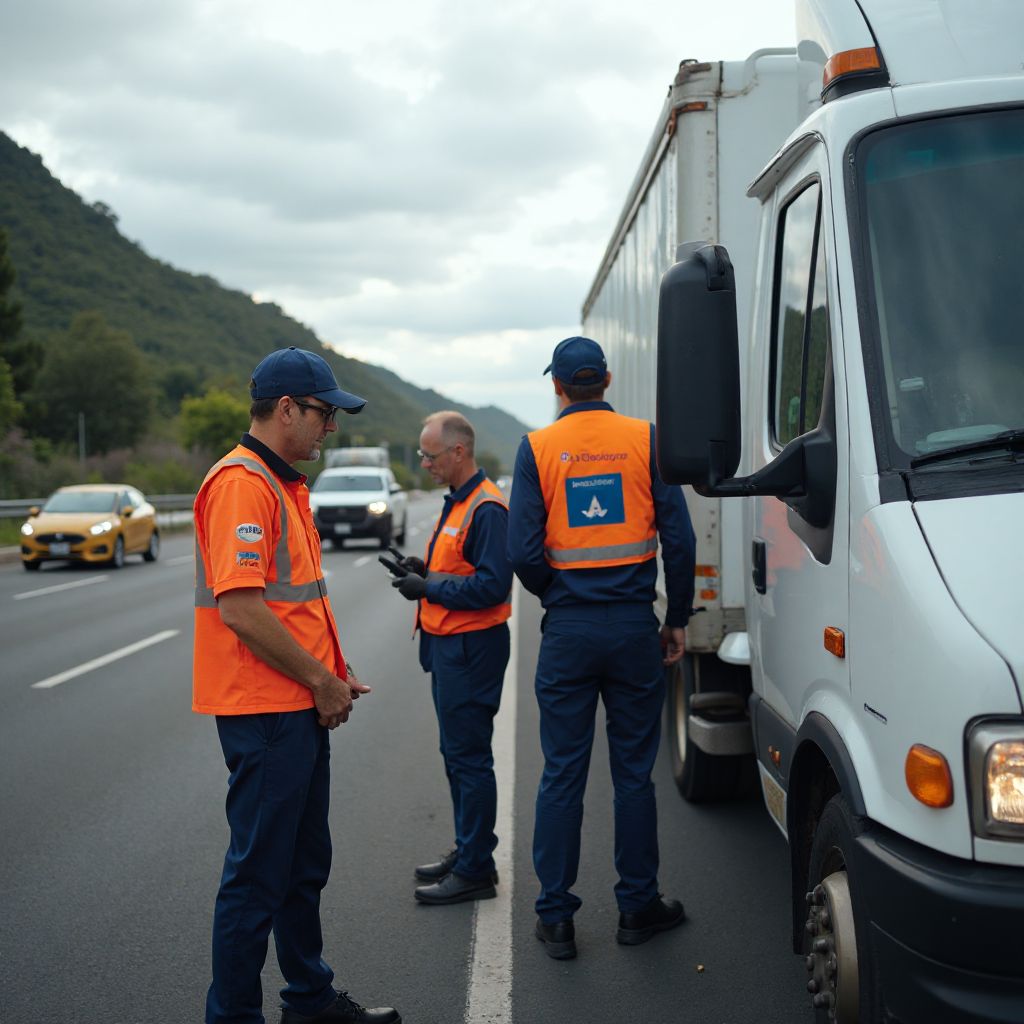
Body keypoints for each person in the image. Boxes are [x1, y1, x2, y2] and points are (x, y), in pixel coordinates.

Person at [193, 346, 400, 1024]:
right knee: (256, 879)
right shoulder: (243, 483)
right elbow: (242, 609)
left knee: (301, 867)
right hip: (267, 712)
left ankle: (309, 1000)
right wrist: (321, 681)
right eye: (323, 413)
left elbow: (296, 602)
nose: (330, 428)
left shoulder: (283, 485)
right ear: (286, 410)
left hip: (296, 705)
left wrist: (331, 674)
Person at [507, 336, 696, 960]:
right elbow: (680, 538)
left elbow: (524, 555)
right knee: (633, 776)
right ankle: (638, 908)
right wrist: (678, 618)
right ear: (607, 379)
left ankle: (556, 919)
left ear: (557, 387)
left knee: (562, 774)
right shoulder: (647, 440)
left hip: (568, 631)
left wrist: (558, 595)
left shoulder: (537, 448)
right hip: (633, 627)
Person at [387, 411, 513, 905]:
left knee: (469, 760)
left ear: (458, 452)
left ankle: (477, 868)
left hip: (471, 647)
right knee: (457, 758)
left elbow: (492, 584)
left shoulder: (486, 507)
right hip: (449, 646)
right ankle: (471, 849)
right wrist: (423, 569)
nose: (423, 463)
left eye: (430, 455)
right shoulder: (459, 501)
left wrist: (430, 586)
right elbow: (459, 564)